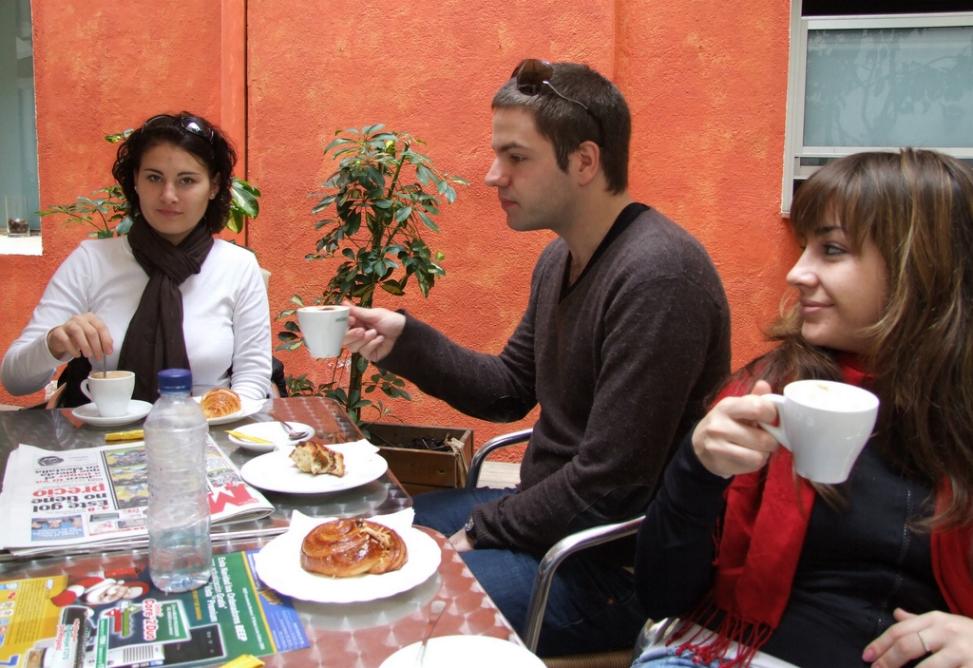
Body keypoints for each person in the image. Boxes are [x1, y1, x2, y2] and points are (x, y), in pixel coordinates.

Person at [344, 59, 731, 656]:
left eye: (516, 157)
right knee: (373, 537)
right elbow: (507, 388)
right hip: (547, 521)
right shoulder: (559, 259)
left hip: (610, 567)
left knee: (386, 600)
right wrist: (406, 342)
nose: (492, 175)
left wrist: (482, 531)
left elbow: (610, 486)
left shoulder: (660, 277)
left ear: (584, 161)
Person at [632, 149, 973, 668]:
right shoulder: (767, 393)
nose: (796, 273)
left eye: (831, 250)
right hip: (732, 654)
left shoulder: (959, 414)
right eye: (803, 248)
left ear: (920, 266)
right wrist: (696, 468)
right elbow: (660, 593)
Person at [1, 112, 271, 404]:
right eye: (154, 178)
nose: (168, 195)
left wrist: (217, 417)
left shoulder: (238, 266)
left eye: (187, 180)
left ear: (214, 186)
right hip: (105, 429)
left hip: (208, 426)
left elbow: (252, 378)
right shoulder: (90, 262)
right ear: (136, 181)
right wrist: (53, 343)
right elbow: (15, 380)